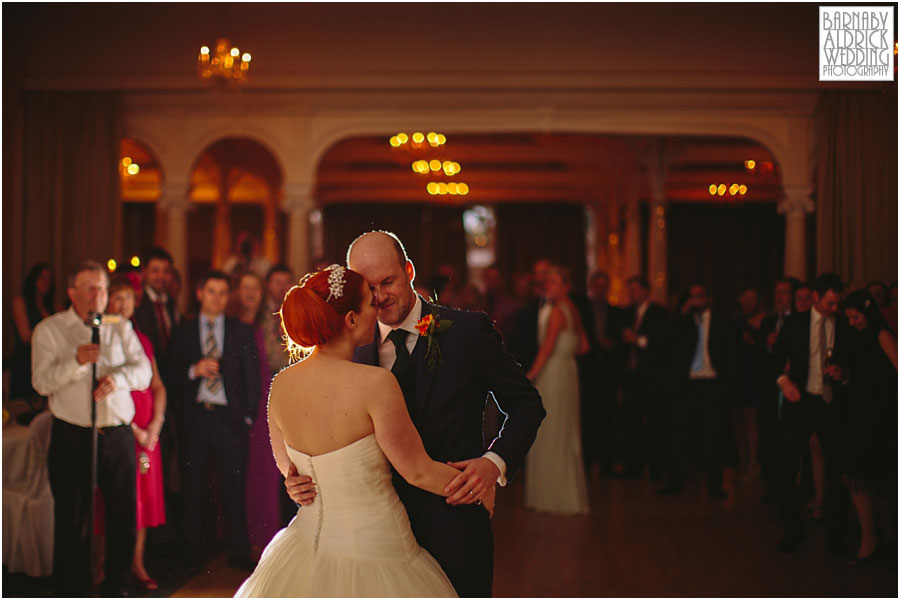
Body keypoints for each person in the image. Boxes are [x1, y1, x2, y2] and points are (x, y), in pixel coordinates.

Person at [286, 231, 545, 597]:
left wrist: (493, 464)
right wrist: (298, 475)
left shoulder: (468, 332)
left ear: (409, 271)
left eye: (388, 282)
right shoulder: (348, 346)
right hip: (375, 540)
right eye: (369, 287)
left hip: (454, 526)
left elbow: (526, 404)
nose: (379, 297)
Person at [236, 265, 462, 597]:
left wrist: (294, 483)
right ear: (352, 320)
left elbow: (289, 470)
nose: (378, 309)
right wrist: (479, 485)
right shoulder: (376, 384)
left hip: (304, 546)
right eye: (371, 303)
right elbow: (417, 472)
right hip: (377, 551)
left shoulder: (281, 384)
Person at [32, 261, 152, 596]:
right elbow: (41, 382)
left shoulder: (120, 327)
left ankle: (118, 586)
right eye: (89, 287)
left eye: (102, 288)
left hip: (117, 432)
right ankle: (72, 590)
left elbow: (144, 372)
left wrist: (118, 379)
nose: (97, 294)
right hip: (73, 433)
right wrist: (76, 362)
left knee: (123, 515)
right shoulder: (50, 330)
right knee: (73, 518)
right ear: (72, 292)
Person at [167, 271, 260, 571]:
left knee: (234, 488)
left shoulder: (240, 331)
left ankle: (238, 551)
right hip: (195, 417)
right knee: (192, 488)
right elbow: (169, 374)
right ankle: (191, 555)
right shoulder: (182, 331)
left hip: (229, 418)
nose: (217, 298)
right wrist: (193, 370)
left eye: (222, 293)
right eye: (211, 291)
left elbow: (252, 377)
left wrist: (247, 417)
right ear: (199, 293)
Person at [771, 272, 851, 555]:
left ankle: (836, 538)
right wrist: (784, 381)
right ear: (816, 297)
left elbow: (853, 364)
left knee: (839, 471)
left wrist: (843, 373)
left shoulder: (843, 324)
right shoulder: (795, 323)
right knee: (784, 469)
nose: (834, 308)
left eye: (837, 303)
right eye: (830, 303)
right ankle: (793, 530)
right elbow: (774, 361)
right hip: (801, 401)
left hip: (830, 403)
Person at [106, 276, 167, 591]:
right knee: (115, 500)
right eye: (117, 297)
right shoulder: (104, 337)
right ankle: (103, 565)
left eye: (128, 298)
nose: (123, 304)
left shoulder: (142, 339)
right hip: (121, 428)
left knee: (142, 500)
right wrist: (135, 430)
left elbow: (158, 386)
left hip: (147, 432)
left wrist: (154, 427)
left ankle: (137, 562)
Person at [524, 264, 590, 514]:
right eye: (547, 282)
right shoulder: (572, 309)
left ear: (565, 286)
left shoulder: (556, 312)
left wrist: (530, 375)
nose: (548, 286)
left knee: (550, 429)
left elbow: (546, 349)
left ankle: (551, 496)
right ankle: (565, 494)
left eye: (553, 282)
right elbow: (584, 346)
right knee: (563, 429)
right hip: (568, 372)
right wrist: (566, 352)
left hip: (552, 373)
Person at [660, 283, 736, 499]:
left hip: (712, 384)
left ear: (708, 298)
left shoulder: (722, 323)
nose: (696, 300)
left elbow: (731, 355)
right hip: (687, 385)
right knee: (680, 434)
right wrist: (681, 314)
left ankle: (715, 486)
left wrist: (726, 386)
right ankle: (676, 482)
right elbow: (664, 343)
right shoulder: (681, 323)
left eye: (700, 296)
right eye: (692, 296)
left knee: (713, 437)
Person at [841, 290, 898, 565]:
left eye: (855, 317)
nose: (852, 323)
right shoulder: (858, 337)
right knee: (860, 474)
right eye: (849, 318)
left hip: (880, 415)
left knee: (878, 476)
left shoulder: (882, 334)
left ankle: (882, 539)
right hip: (860, 413)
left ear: (867, 313)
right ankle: (874, 537)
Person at [229, 270, 285, 549]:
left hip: (265, 397)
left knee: (265, 468)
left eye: (255, 288)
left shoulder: (271, 321)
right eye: (245, 287)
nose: (250, 293)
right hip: (236, 400)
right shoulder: (229, 323)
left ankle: (265, 537)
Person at [620, 276, 668, 478]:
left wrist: (637, 339)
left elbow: (662, 341)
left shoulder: (659, 312)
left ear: (646, 291)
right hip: (631, 375)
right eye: (629, 289)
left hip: (651, 376)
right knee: (631, 419)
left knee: (654, 419)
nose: (632, 293)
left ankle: (656, 467)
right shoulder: (626, 313)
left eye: (636, 289)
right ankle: (634, 465)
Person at [585, 271, 624, 477]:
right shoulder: (583, 310)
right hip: (588, 372)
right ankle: (586, 463)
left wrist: (612, 345)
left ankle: (606, 464)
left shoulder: (616, 312)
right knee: (587, 418)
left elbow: (621, 342)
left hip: (608, 373)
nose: (600, 290)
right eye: (597, 286)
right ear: (591, 286)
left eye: (603, 286)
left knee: (607, 419)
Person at [11, 263, 56, 405]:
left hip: (47, 359)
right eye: (43, 278)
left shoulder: (52, 306)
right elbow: (25, 336)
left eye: (49, 279)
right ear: (34, 279)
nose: (46, 282)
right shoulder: (21, 302)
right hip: (25, 359)